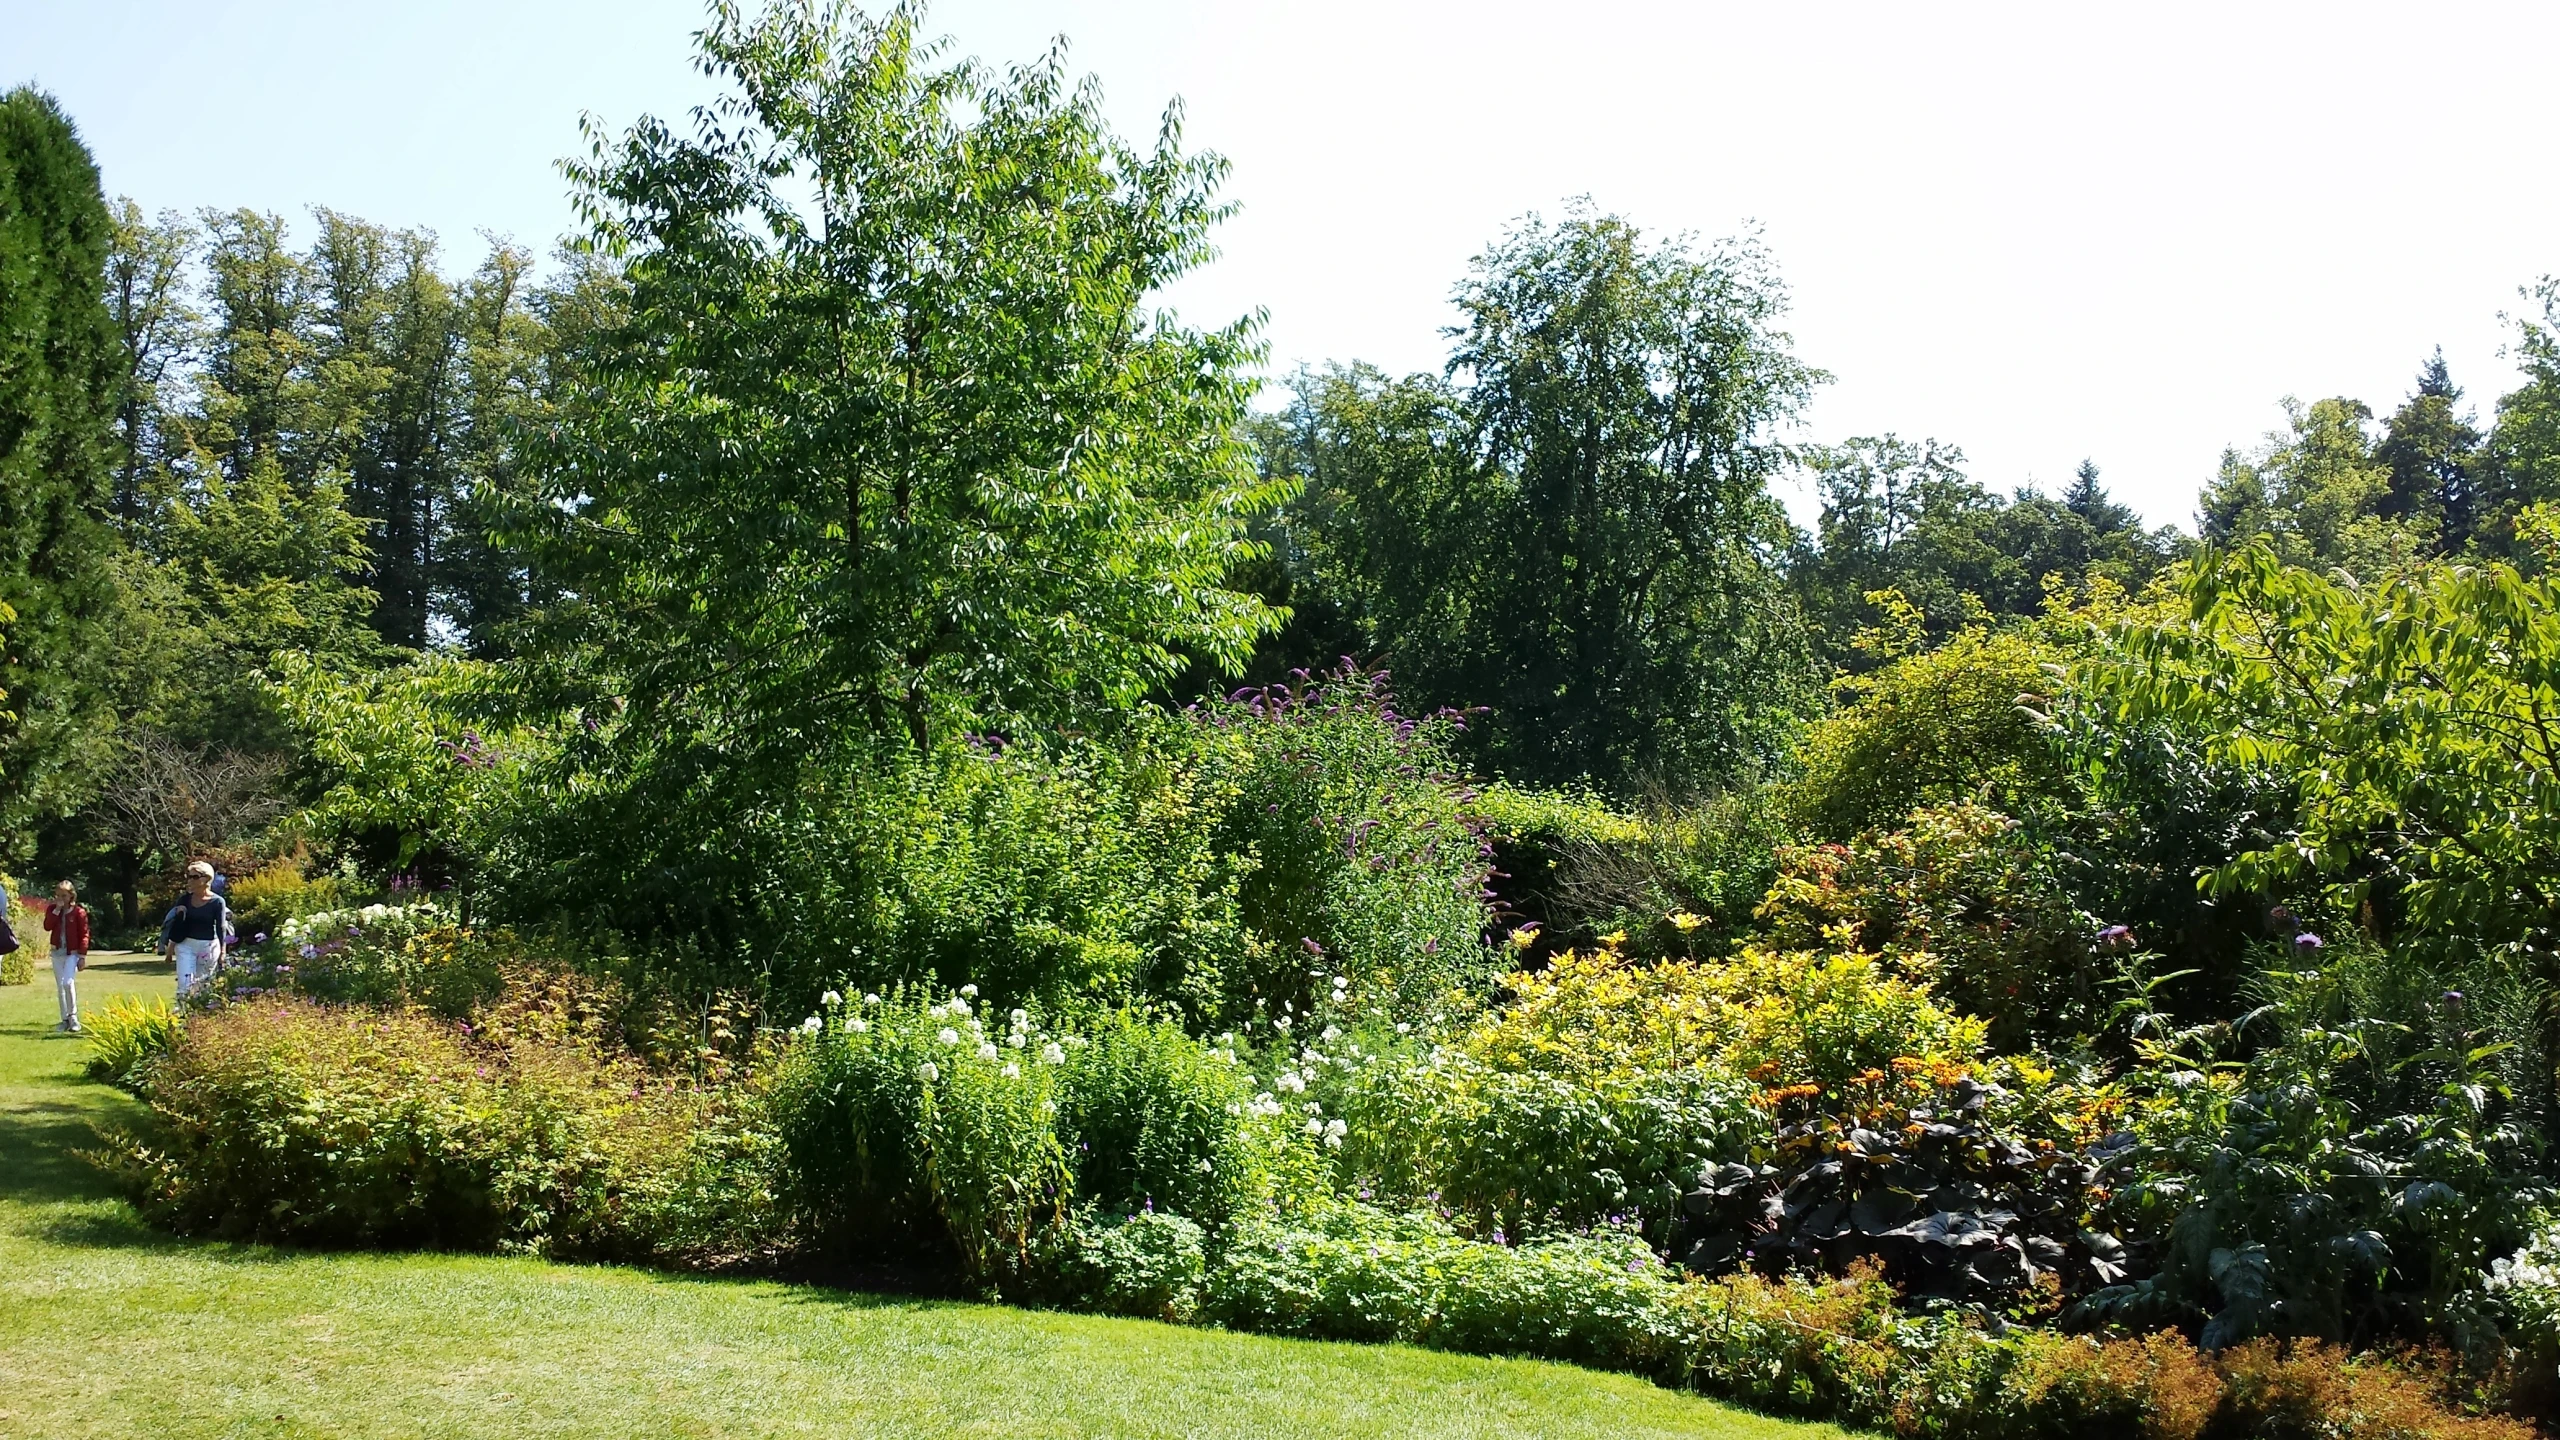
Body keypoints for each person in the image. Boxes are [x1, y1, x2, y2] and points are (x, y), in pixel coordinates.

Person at [161, 861, 230, 999]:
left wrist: (223, 951)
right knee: (185, 984)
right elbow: (178, 925)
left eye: (194, 877)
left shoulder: (217, 902)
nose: (190, 880)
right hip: (186, 946)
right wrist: (170, 948)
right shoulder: (184, 900)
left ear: (206, 879)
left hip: (209, 946)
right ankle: (180, 1014)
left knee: (203, 984)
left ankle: (198, 1016)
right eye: (189, 876)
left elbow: (221, 927)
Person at [43, 880, 90, 1034]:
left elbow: (84, 934)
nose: (61, 898)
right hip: (57, 952)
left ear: (71, 896)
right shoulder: (52, 909)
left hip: (72, 953)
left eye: (64, 895)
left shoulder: (78, 912)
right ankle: (64, 1019)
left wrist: (82, 956)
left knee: (67, 983)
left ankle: (73, 1016)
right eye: (58, 895)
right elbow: (47, 926)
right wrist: (56, 910)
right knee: (60, 987)